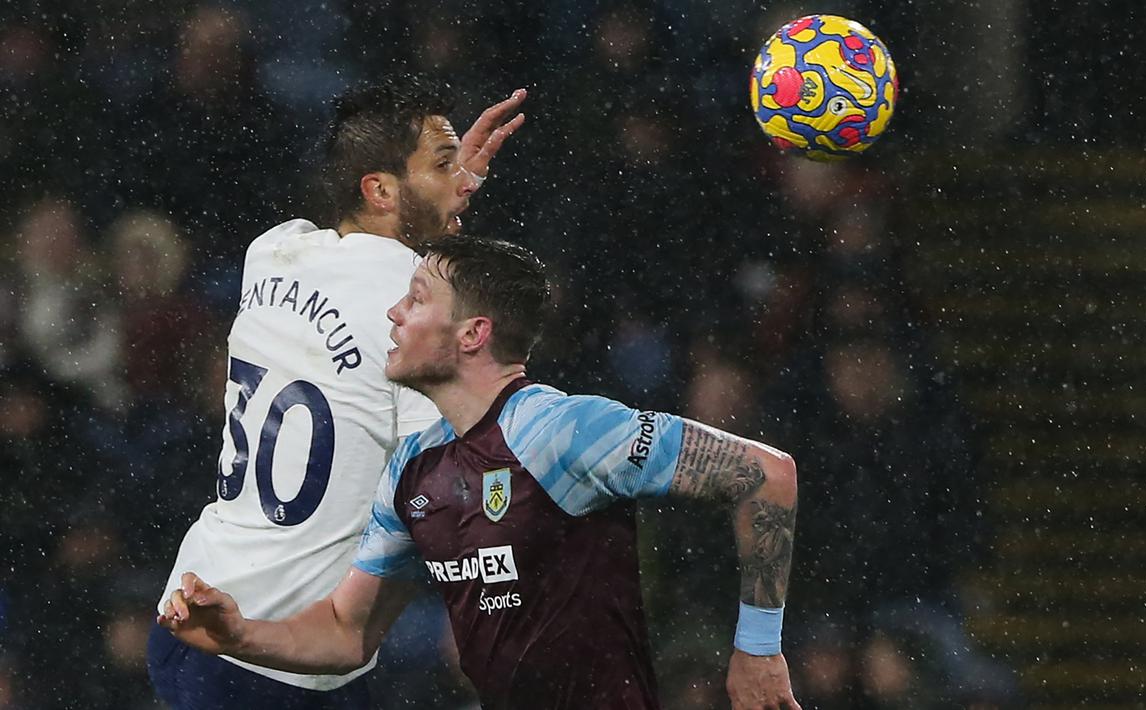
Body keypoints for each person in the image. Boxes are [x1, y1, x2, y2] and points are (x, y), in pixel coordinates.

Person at [159, 235, 802, 710]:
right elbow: (346, 633)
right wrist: (238, 631)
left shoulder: (560, 433)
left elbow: (765, 474)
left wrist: (758, 648)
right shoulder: (413, 469)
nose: (393, 315)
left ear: (472, 334)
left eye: (415, 299)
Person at [148, 78, 527, 708]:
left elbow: (380, 278)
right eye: (443, 164)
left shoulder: (272, 250)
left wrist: (445, 196)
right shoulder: (417, 314)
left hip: (190, 610)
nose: (463, 178)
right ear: (379, 190)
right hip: (279, 658)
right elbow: (449, 481)